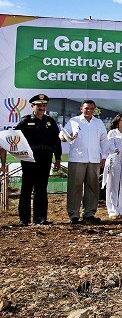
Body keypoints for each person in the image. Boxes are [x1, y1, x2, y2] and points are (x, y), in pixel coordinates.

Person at [12, 94, 62, 225]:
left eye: (44, 105)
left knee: (41, 189)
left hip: (45, 159)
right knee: (26, 189)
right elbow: (14, 137)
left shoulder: (50, 122)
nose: (42, 107)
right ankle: (24, 219)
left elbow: (56, 141)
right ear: (32, 106)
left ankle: (40, 217)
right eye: (39, 105)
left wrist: (57, 159)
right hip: (29, 159)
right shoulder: (25, 121)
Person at [65, 100, 107, 225]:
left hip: (93, 160)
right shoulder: (74, 121)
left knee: (92, 187)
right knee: (75, 187)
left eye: (92, 109)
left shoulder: (98, 122)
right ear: (81, 108)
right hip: (77, 158)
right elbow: (64, 133)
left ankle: (89, 213)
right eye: (87, 108)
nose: (89, 111)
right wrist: (63, 137)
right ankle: (74, 215)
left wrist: (104, 156)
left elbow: (104, 140)